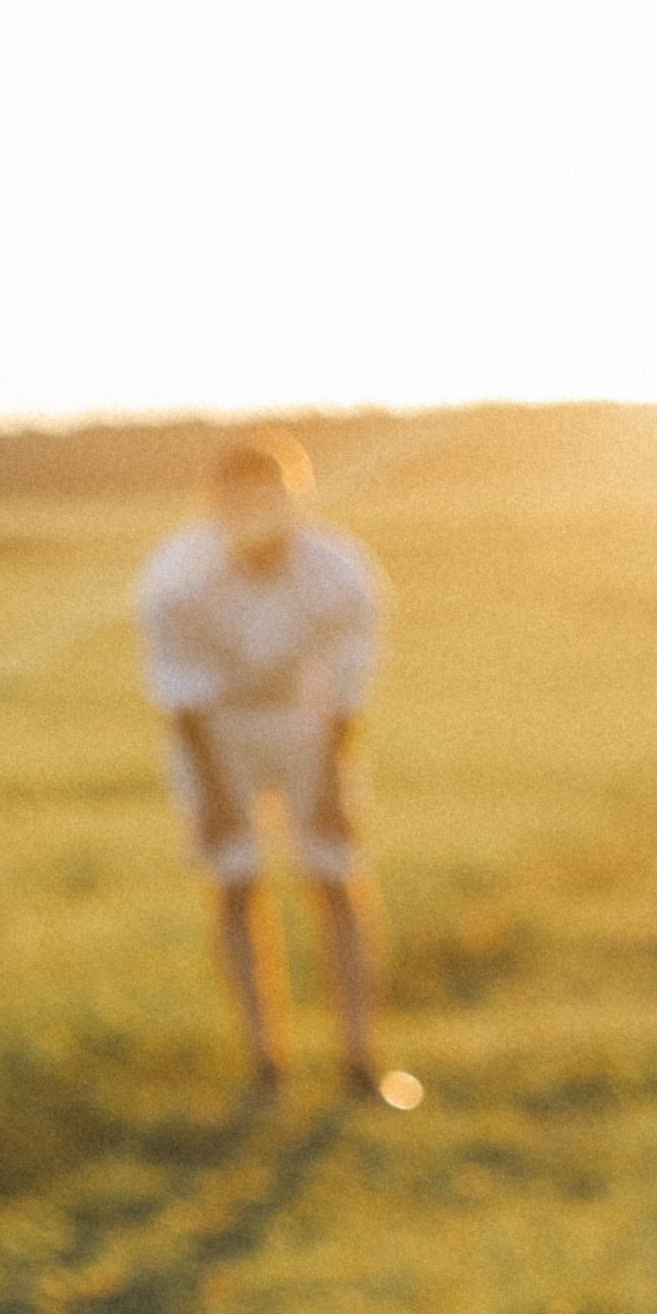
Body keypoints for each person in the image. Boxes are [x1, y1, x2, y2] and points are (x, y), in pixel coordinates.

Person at [134, 431, 410, 1108]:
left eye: (270, 499)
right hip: (215, 728)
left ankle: (359, 1061)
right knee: (234, 883)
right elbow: (181, 692)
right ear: (217, 504)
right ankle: (267, 1065)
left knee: (336, 873)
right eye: (240, 501)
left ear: (296, 499)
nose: (256, 515)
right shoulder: (175, 573)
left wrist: (330, 779)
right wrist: (217, 797)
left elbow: (350, 677)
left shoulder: (338, 567)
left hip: (306, 721)